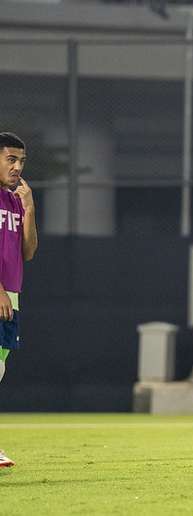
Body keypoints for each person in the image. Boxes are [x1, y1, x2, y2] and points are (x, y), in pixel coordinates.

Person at [0, 132, 39, 468]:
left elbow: (28, 251)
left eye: (21, 161)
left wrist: (28, 207)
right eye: (10, 159)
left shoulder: (14, 201)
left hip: (12, 293)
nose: (17, 167)